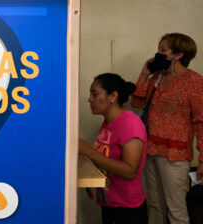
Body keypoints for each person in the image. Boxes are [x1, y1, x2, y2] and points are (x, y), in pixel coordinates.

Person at [130, 33, 203, 224]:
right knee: (154, 206)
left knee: (176, 210)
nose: (158, 53)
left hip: (175, 155)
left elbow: (201, 122)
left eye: (163, 50)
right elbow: (136, 102)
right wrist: (145, 74)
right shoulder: (157, 78)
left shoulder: (195, 82)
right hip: (150, 150)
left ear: (178, 54)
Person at [79, 73, 148, 224]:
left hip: (127, 209)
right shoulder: (108, 123)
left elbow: (130, 171)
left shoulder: (130, 124)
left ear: (113, 96)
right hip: (110, 203)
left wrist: (88, 151)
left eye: (95, 94)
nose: (90, 99)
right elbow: (105, 159)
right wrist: (92, 183)